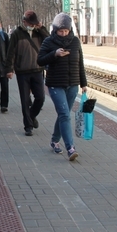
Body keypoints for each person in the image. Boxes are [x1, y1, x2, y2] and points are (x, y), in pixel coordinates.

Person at [37, 13, 87, 161]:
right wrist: (54, 54)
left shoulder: (75, 42)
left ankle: (54, 140)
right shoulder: (48, 41)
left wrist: (84, 83)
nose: (64, 33)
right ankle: (70, 148)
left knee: (63, 114)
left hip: (73, 84)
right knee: (65, 114)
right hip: (55, 84)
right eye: (61, 31)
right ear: (55, 30)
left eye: (66, 31)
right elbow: (40, 60)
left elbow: (80, 63)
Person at [6, 10, 49, 136]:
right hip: (22, 71)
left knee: (40, 97)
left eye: (34, 23)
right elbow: (11, 52)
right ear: (24, 22)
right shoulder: (16, 34)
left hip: (37, 70)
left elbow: (50, 40)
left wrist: (42, 28)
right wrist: (9, 69)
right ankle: (28, 126)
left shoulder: (38, 32)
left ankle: (31, 116)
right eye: (30, 23)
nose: (32, 25)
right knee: (25, 100)